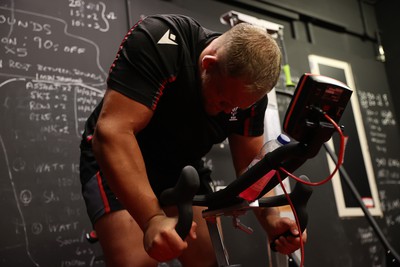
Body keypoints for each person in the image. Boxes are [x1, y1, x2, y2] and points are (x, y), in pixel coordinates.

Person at [79, 14, 307, 267]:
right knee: (139, 262)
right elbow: (112, 132)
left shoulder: (248, 99)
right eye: (222, 101)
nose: (226, 111)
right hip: (119, 153)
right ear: (208, 64)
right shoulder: (162, 41)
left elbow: (250, 171)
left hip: (180, 167)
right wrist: (153, 218)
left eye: (235, 107)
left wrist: (272, 220)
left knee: (210, 261)